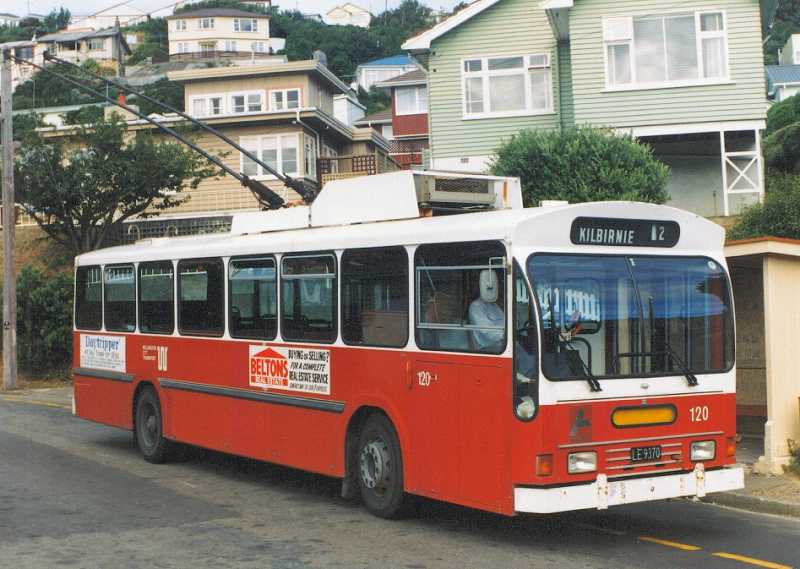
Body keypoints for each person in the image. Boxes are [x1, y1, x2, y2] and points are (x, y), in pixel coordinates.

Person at [468, 269, 505, 352]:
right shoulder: (477, 306)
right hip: (489, 350)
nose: (502, 286)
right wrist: (509, 334)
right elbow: (488, 332)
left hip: (504, 345)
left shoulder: (496, 304)